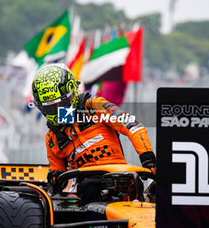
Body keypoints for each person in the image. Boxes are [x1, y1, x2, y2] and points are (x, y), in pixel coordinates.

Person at [31, 64, 156, 204]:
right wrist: (55, 178)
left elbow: (133, 126)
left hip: (122, 178)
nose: (57, 110)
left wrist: (147, 158)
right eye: (50, 107)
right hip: (86, 191)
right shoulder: (52, 139)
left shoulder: (95, 107)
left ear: (72, 93)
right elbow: (57, 178)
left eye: (62, 103)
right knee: (88, 188)